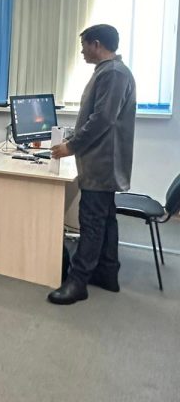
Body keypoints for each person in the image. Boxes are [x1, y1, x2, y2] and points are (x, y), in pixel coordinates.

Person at [48, 24, 136, 305]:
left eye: (84, 45)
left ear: (96, 44)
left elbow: (102, 119)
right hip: (103, 161)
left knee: (92, 221)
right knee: (105, 218)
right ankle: (107, 272)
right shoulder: (110, 71)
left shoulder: (113, 73)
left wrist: (71, 146)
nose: (82, 51)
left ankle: (78, 282)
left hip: (101, 163)